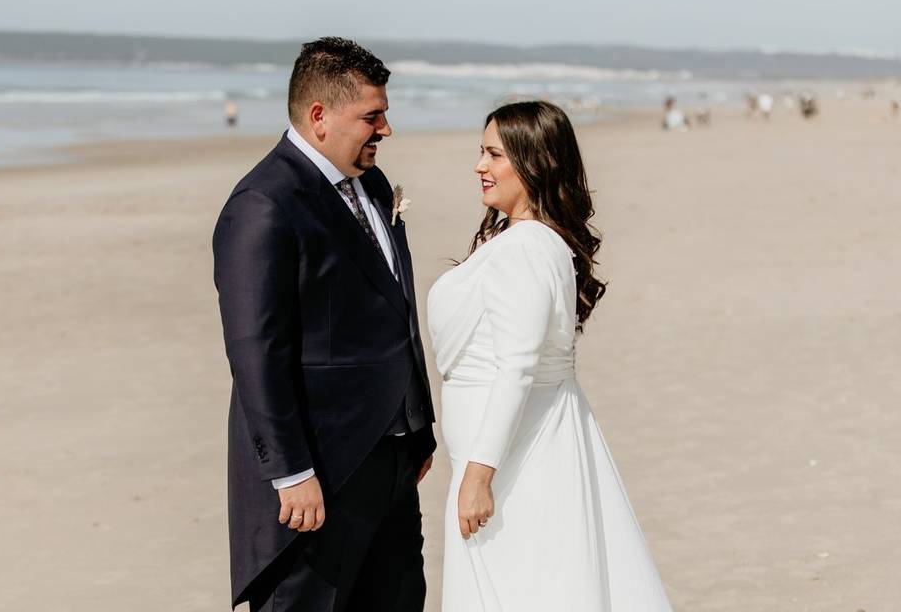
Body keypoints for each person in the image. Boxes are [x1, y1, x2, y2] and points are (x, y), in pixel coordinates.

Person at [212, 37, 436, 612]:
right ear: (319, 117)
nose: (386, 129)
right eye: (372, 116)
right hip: (320, 471)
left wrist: (418, 424)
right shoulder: (264, 204)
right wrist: (290, 471)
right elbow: (255, 350)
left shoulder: (376, 186)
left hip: (390, 460)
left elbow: (394, 310)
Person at [427, 101, 672, 611]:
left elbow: (517, 365)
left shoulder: (528, 247)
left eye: (494, 154)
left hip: (514, 460)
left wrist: (478, 476)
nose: (480, 166)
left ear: (532, 162)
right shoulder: (529, 242)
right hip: (515, 448)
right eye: (481, 152)